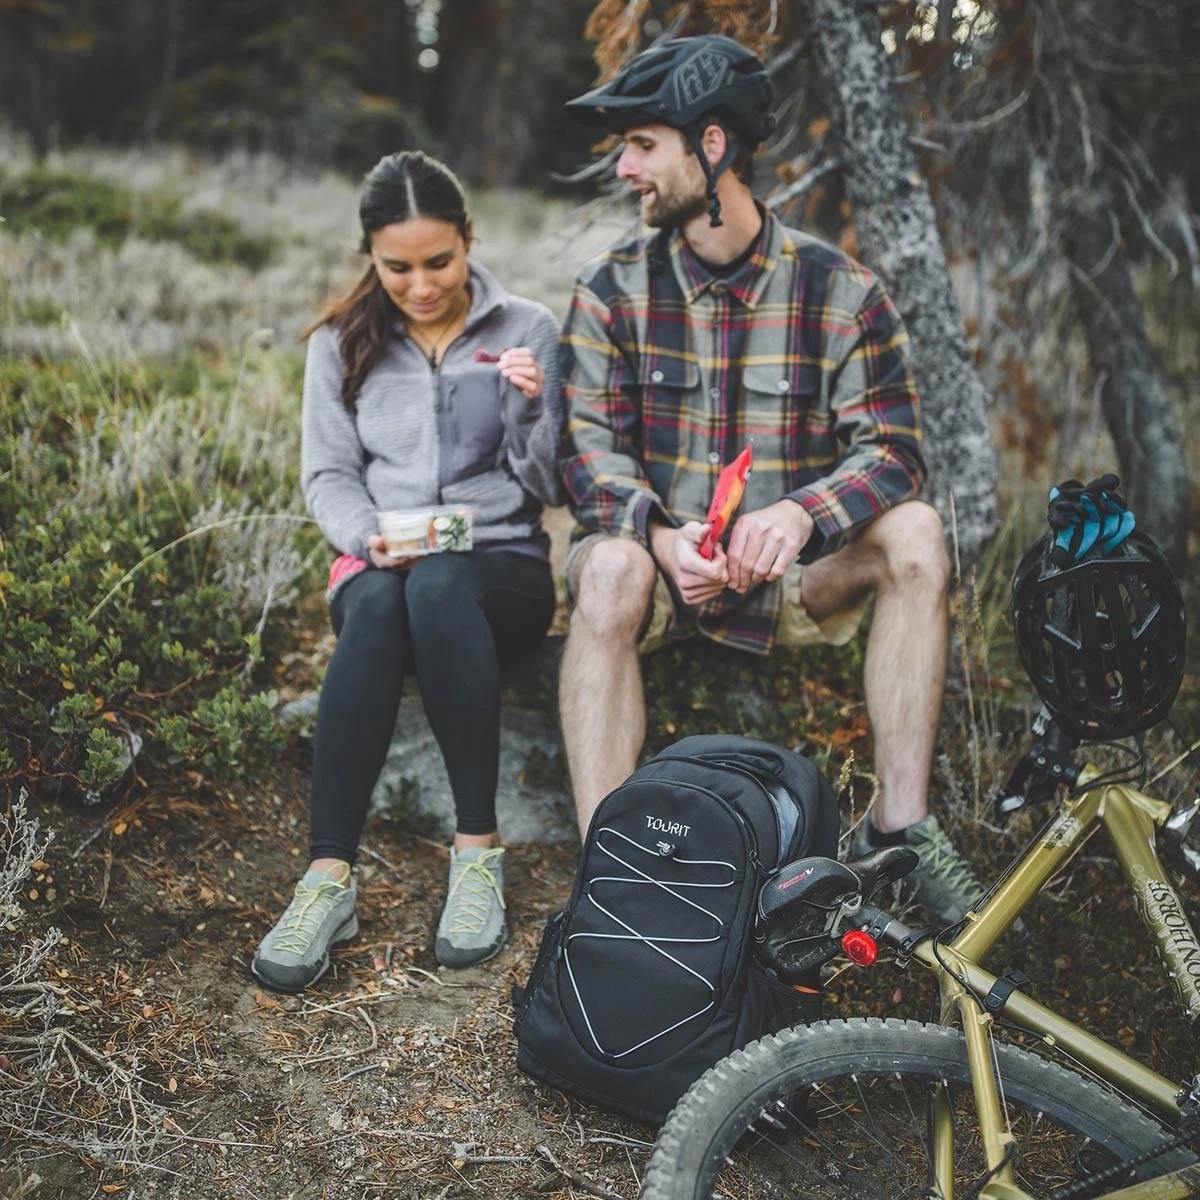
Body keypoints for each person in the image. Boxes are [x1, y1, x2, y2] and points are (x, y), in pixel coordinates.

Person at [557, 34, 984, 925]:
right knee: (604, 566)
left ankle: (898, 832)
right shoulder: (610, 291)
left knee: (915, 532)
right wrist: (660, 537)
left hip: (794, 586)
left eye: (643, 145)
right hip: (663, 585)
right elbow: (584, 448)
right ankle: (613, 866)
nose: (627, 167)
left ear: (711, 147)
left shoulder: (843, 291)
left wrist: (802, 514)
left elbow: (896, 451)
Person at [252, 151, 563, 993]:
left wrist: (530, 410)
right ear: (370, 255)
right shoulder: (339, 342)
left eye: (440, 262)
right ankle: (326, 879)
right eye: (397, 267)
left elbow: (549, 483)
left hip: (500, 573)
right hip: (383, 560)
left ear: (469, 240)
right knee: (391, 594)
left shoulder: (527, 328)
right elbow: (327, 475)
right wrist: (365, 535)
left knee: (437, 582)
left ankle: (475, 854)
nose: (422, 286)